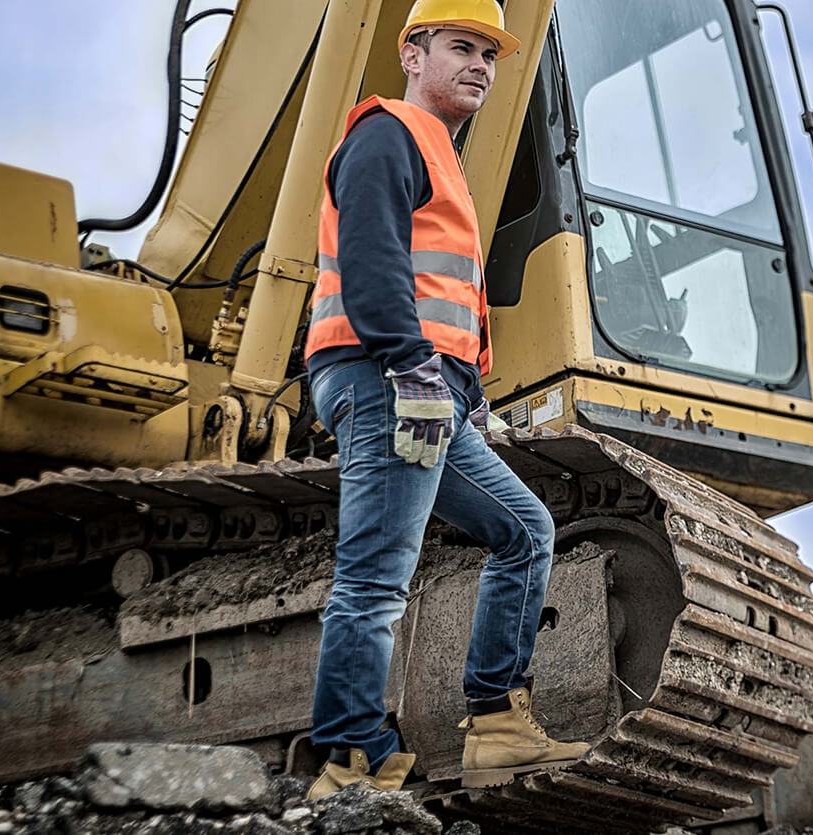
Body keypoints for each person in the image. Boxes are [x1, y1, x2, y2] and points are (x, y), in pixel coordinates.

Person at [300, 0, 589, 799]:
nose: (480, 67)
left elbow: (448, 296)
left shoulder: (441, 155)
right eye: (461, 47)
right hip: (386, 377)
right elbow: (371, 264)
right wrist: (413, 368)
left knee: (524, 529)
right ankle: (351, 762)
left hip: (432, 390)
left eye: (489, 56)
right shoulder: (386, 134)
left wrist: (470, 392)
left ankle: (496, 725)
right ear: (412, 55)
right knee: (375, 577)